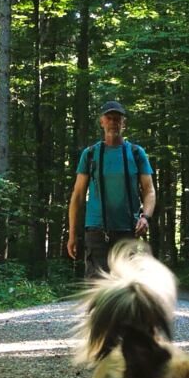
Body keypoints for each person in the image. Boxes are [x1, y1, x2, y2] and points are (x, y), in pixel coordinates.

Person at [67, 99, 156, 279]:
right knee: (97, 288)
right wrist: (72, 235)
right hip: (96, 231)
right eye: (109, 118)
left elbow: (149, 190)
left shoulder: (136, 153)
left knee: (124, 287)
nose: (113, 122)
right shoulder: (90, 154)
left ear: (124, 123)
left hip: (128, 231)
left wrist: (145, 217)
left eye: (117, 118)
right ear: (102, 122)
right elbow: (78, 196)